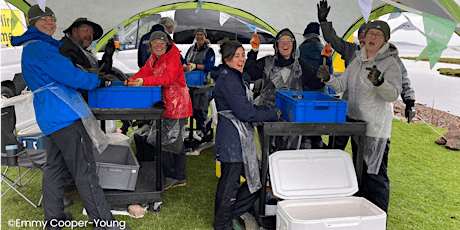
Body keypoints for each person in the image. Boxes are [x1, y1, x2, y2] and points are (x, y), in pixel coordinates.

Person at [11, 5, 128, 230]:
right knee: (85, 171)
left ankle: (54, 220)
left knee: (54, 169)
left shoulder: (33, 46)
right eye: (44, 19)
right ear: (31, 22)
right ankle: (104, 224)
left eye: (52, 19)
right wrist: (97, 81)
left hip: (51, 118)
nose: (50, 23)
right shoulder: (41, 48)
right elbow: (72, 76)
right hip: (65, 115)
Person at [317, 20, 403, 213]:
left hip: (375, 129)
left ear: (385, 40)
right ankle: (363, 214)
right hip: (356, 124)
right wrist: (328, 78)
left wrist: (380, 82)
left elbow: (393, 94)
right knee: (360, 172)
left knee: (375, 176)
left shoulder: (390, 63)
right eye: (370, 34)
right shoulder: (357, 59)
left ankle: (379, 218)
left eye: (378, 35)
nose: (372, 38)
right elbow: (341, 85)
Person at [317, 0, 417, 149]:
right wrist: (324, 22)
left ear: (384, 39)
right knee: (336, 147)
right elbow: (333, 40)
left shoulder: (390, 58)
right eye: (365, 35)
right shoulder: (352, 51)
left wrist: (409, 101)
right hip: (348, 108)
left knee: (365, 159)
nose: (368, 39)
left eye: (374, 35)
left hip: (371, 118)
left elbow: (402, 79)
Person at [210, 40, 281, 230]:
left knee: (255, 179)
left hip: (239, 138)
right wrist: (271, 114)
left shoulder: (234, 76)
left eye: (242, 54)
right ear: (226, 60)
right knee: (230, 184)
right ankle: (223, 224)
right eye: (236, 56)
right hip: (232, 140)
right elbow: (245, 113)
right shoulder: (228, 79)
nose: (241, 59)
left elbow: (246, 107)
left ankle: (230, 214)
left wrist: (264, 108)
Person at [58, 17, 116, 207]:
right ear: (73, 31)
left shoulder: (82, 50)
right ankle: (73, 185)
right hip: (70, 107)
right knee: (75, 149)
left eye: (91, 33)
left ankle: (69, 183)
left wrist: (108, 57)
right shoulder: (66, 49)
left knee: (74, 148)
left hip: (81, 104)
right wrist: (97, 77)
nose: (89, 35)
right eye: (85, 30)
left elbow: (96, 72)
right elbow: (81, 77)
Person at [128, 31, 193, 190]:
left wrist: (144, 81)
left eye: (161, 42)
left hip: (177, 106)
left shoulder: (173, 58)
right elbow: (144, 72)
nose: (158, 45)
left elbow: (167, 79)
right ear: (150, 46)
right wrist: (134, 79)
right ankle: (175, 175)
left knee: (171, 142)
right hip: (167, 105)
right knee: (166, 141)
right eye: (155, 42)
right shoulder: (154, 59)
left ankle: (174, 177)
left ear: (167, 44)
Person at [244, 28, 326, 151]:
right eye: (282, 40)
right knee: (269, 155)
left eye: (289, 40)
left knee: (289, 156)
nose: (285, 43)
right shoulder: (267, 62)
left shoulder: (301, 65)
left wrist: (324, 65)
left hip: (293, 118)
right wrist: (254, 51)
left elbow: (316, 84)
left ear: (293, 45)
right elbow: (248, 74)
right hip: (268, 117)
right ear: (276, 45)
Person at [298, 22, 334, 149]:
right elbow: (331, 73)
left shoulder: (301, 49)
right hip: (321, 94)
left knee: (304, 128)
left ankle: (305, 147)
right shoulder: (325, 50)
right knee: (317, 126)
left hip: (304, 95)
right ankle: (317, 147)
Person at [182, 27, 216, 141]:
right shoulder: (191, 49)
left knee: (201, 109)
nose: (199, 37)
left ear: (205, 36)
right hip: (191, 84)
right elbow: (186, 60)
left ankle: (203, 134)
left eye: (202, 34)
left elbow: (209, 66)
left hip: (203, 84)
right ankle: (192, 133)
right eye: (198, 34)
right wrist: (185, 66)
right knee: (192, 109)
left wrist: (195, 66)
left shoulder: (209, 50)